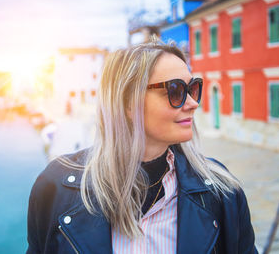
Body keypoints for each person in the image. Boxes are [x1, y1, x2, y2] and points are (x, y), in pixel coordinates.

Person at [27, 39, 258, 254]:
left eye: (193, 88)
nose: (192, 103)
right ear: (128, 102)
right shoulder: (54, 188)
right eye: (175, 91)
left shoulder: (223, 192)